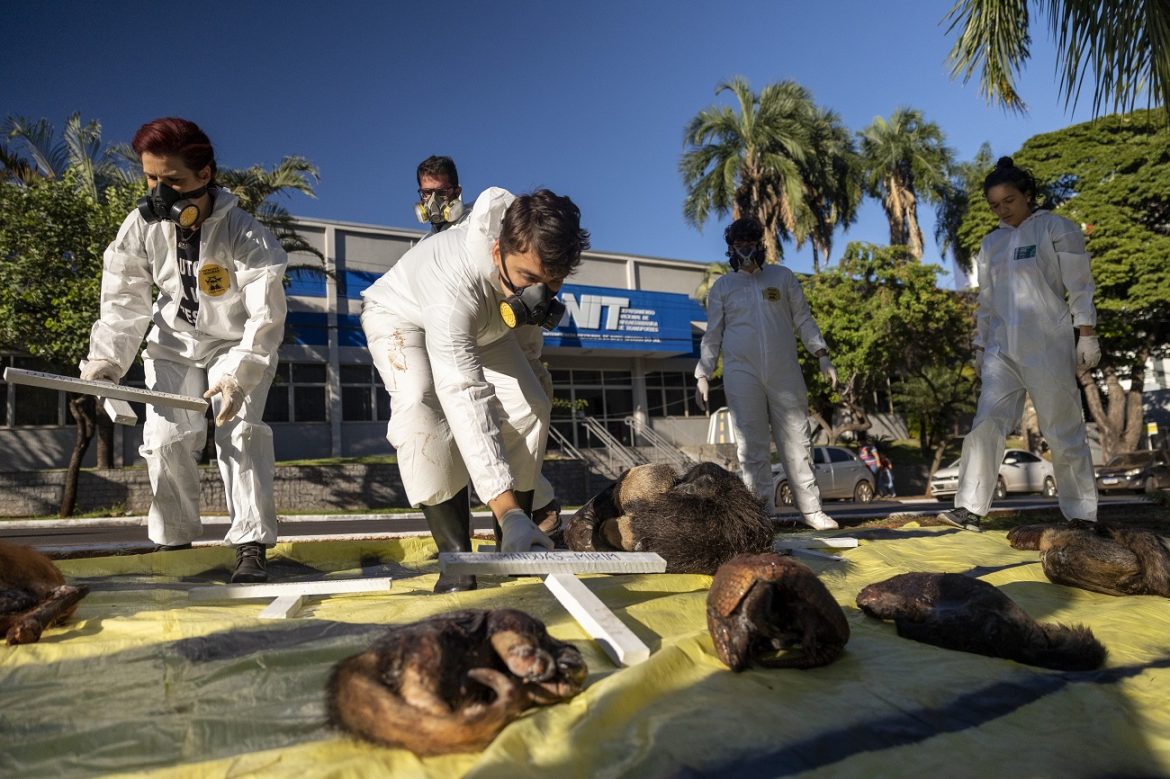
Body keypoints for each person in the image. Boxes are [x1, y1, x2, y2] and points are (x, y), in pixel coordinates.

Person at [80, 117, 287, 582]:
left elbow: (266, 317)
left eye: (172, 181)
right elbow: (124, 300)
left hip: (234, 347)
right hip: (172, 344)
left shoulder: (247, 234)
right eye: (151, 179)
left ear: (204, 176)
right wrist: (107, 362)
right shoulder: (140, 226)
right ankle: (173, 541)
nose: (159, 194)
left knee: (239, 433)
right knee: (167, 440)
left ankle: (251, 544)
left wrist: (240, 376)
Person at [362, 188, 589, 592]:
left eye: (551, 284)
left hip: (486, 329)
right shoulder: (454, 285)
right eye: (530, 279)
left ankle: (513, 545)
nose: (539, 293)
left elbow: (528, 345)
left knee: (532, 403)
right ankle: (457, 558)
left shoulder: (523, 268)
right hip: (402, 316)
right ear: (498, 248)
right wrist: (508, 510)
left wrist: (535, 376)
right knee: (421, 409)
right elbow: (465, 392)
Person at [938, 157, 1100, 532]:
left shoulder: (1056, 228)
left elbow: (1080, 284)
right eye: (995, 205)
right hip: (1001, 348)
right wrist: (980, 346)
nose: (1002, 209)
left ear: (1027, 194)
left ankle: (1081, 515)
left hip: (1048, 340)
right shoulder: (991, 243)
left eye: (1008, 200)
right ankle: (970, 508)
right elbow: (987, 301)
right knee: (985, 424)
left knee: (1061, 428)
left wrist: (1086, 332)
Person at [410, 156, 563, 539]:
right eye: (426, 193)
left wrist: (531, 358)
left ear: (456, 191)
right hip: (453, 342)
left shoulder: (484, 226)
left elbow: (523, 295)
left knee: (525, 411)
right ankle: (519, 517)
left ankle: (526, 516)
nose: (432, 201)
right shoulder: (425, 245)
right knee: (458, 422)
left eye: (440, 192)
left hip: (498, 340)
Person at [694, 217, 839, 530]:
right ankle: (761, 514)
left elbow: (803, 319)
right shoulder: (723, 287)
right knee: (751, 446)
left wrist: (822, 355)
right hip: (741, 372)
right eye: (738, 245)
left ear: (760, 245)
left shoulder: (782, 278)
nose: (745, 250)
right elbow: (713, 334)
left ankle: (812, 511)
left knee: (798, 441)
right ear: (730, 249)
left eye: (751, 243)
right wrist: (702, 374)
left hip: (784, 370)